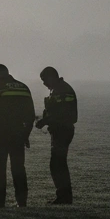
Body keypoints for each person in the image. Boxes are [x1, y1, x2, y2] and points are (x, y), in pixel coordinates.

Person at [0, 64, 36, 207]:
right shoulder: (23, 87)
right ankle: (21, 201)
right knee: (18, 168)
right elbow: (30, 114)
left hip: (0, 133)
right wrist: (26, 134)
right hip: (18, 133)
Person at [35, 66, 78, 205]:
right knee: (58, 164)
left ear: (51, 77)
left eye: (44, 80)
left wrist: (44, 121)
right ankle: (63, 196)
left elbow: (63, 114)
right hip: (60, 130)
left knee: (58, 164)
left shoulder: (62, 90)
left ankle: (64, 197)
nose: (44, 83)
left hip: (62, 131)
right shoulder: (59, 89)